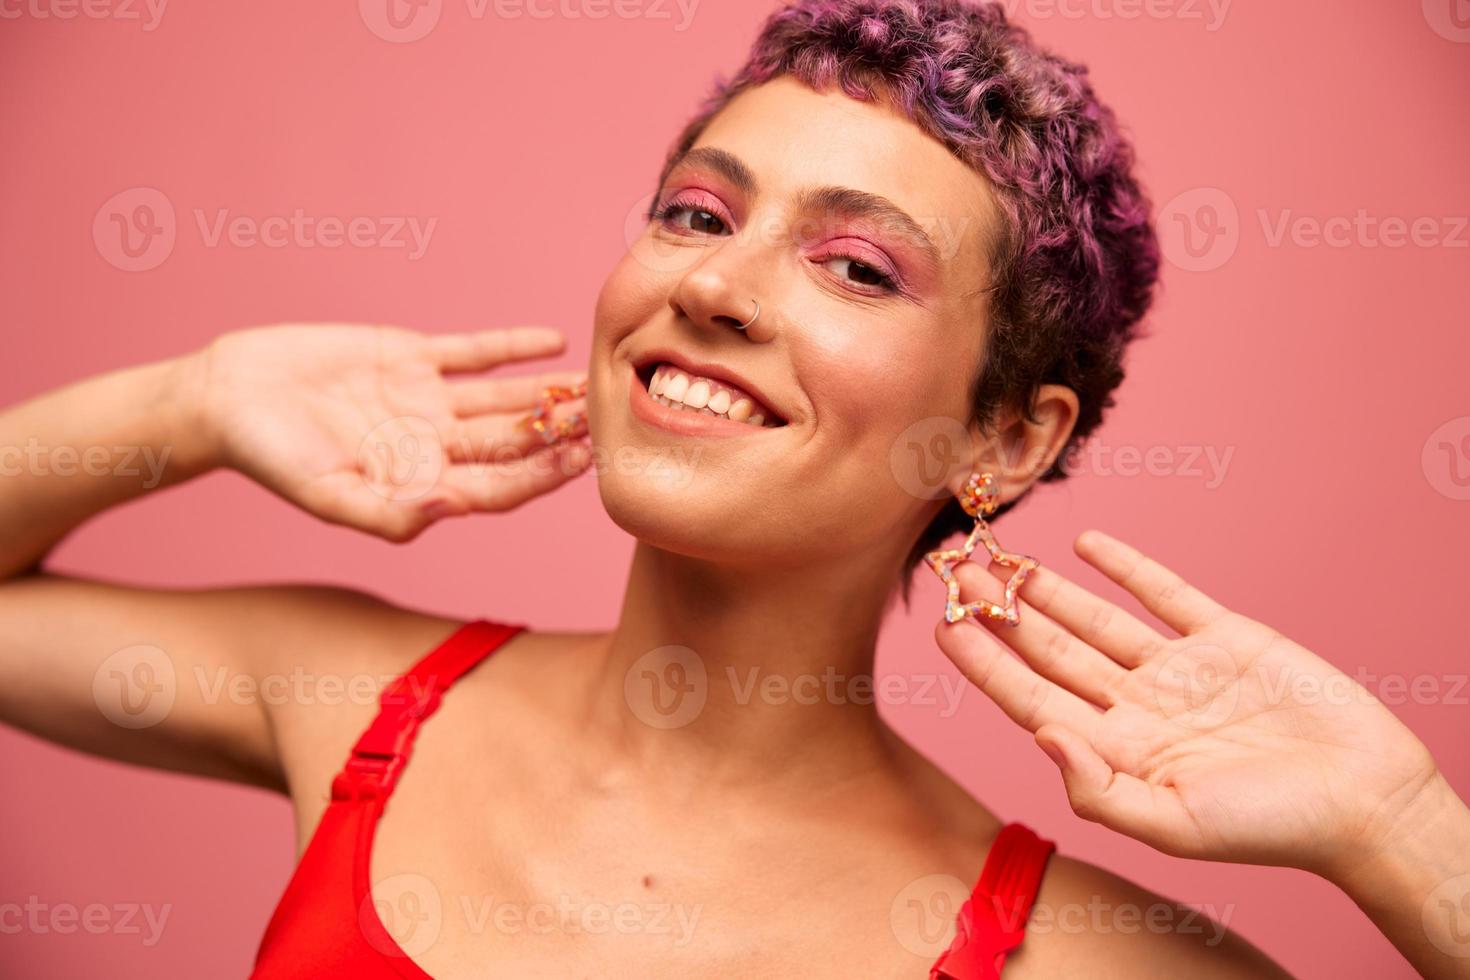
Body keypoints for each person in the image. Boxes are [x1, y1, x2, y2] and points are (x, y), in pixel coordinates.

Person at [3, 0, 1467, 976]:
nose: (708, 284)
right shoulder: (360, 703)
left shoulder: (1081, 957)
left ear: (1004, 443)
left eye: (854, 266)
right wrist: (188, 401)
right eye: (696, 213)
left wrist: (1405, 836)